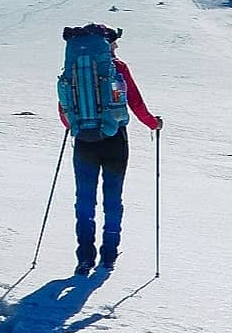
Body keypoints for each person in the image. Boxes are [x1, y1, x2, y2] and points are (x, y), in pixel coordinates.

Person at [58, 26, 162, 273]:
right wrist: (153, 123)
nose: (115, 47)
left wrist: (79, 125)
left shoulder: (72, 71)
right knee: (112, 198)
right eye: (113, 43)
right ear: (107, 43)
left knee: (84, 199)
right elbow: (134, 102)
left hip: (83, 140)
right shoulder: (118, 68)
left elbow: (64, 111)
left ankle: (84, 257)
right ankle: (109, 255)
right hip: (115, 140)